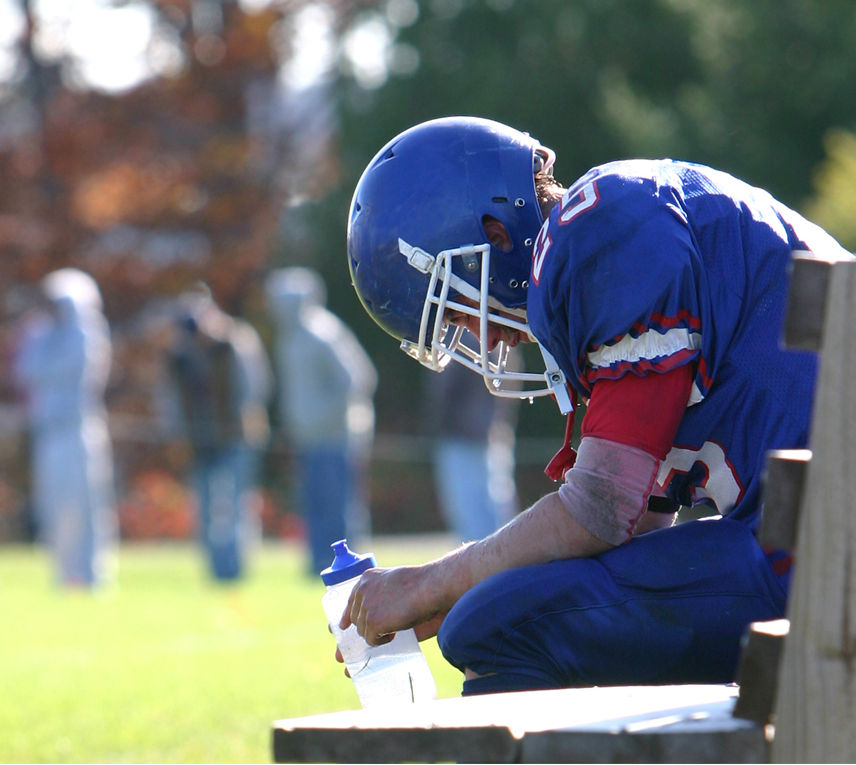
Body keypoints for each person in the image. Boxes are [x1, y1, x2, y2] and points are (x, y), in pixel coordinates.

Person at [341, 116, 853, 694]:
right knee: (493, 610)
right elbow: (636, 528)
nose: (482, 338)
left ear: (496, 231)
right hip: (819, 539)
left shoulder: (599, 231)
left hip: (830, 558)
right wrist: (454, 591)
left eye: (458, 307)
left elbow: (603, 507)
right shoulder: (619, 221)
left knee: (494, 627)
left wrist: (428, 584)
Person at [266, 267, 378, 576]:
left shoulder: (323, 333)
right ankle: (318, 565)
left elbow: (358, 379)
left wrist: (321, 416)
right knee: (313, 503)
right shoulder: (288, 338)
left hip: (335, 436)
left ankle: (349, 569)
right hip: (307, 438)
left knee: (337, 505)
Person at [12, 268, 118, 588]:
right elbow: (24, 371)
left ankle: (93, 574)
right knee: (54, 507)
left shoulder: (88, 331)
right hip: (49, 433)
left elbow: (76, 367)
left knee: (87, 505)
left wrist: (46, 365)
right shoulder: (40, 333)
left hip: (80, 430)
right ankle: (64, 574)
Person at [167, 287, 273, 582]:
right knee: (205, 509)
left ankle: (235, 571)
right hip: (200, 443)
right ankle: (215, 573)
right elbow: (172, 399)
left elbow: (256, 387)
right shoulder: (181, 355)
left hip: (238, 437)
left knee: (235, 507)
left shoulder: (236, 341)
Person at [422, 330, 519, 543]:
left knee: (472, 516)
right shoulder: (497, 337)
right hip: (491, 432)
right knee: (496, 508)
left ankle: (485, 570)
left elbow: (443, 389)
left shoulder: (460, 338)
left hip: (462, 436)